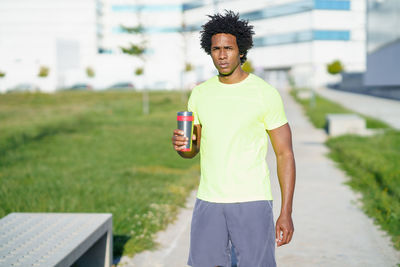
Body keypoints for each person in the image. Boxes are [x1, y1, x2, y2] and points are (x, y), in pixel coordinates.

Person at [171, 10, 295, 267]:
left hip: (252, 200)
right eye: (216, 48)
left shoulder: (264, 93)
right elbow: (191, 150)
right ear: (210, 51)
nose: (222, 54)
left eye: (228, 47)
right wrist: (182, 147)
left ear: (241, 50)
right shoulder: (200, 94)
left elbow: (285, 154)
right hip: (209, 200)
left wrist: (286, 212)